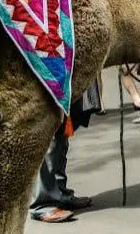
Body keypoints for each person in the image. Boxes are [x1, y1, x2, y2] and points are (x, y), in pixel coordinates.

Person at [29, 95, 96, 223]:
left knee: (61, 132)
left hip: (65, 80)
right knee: (48, 132)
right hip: (45, 80)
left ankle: (60, 194)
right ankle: (42, 204)